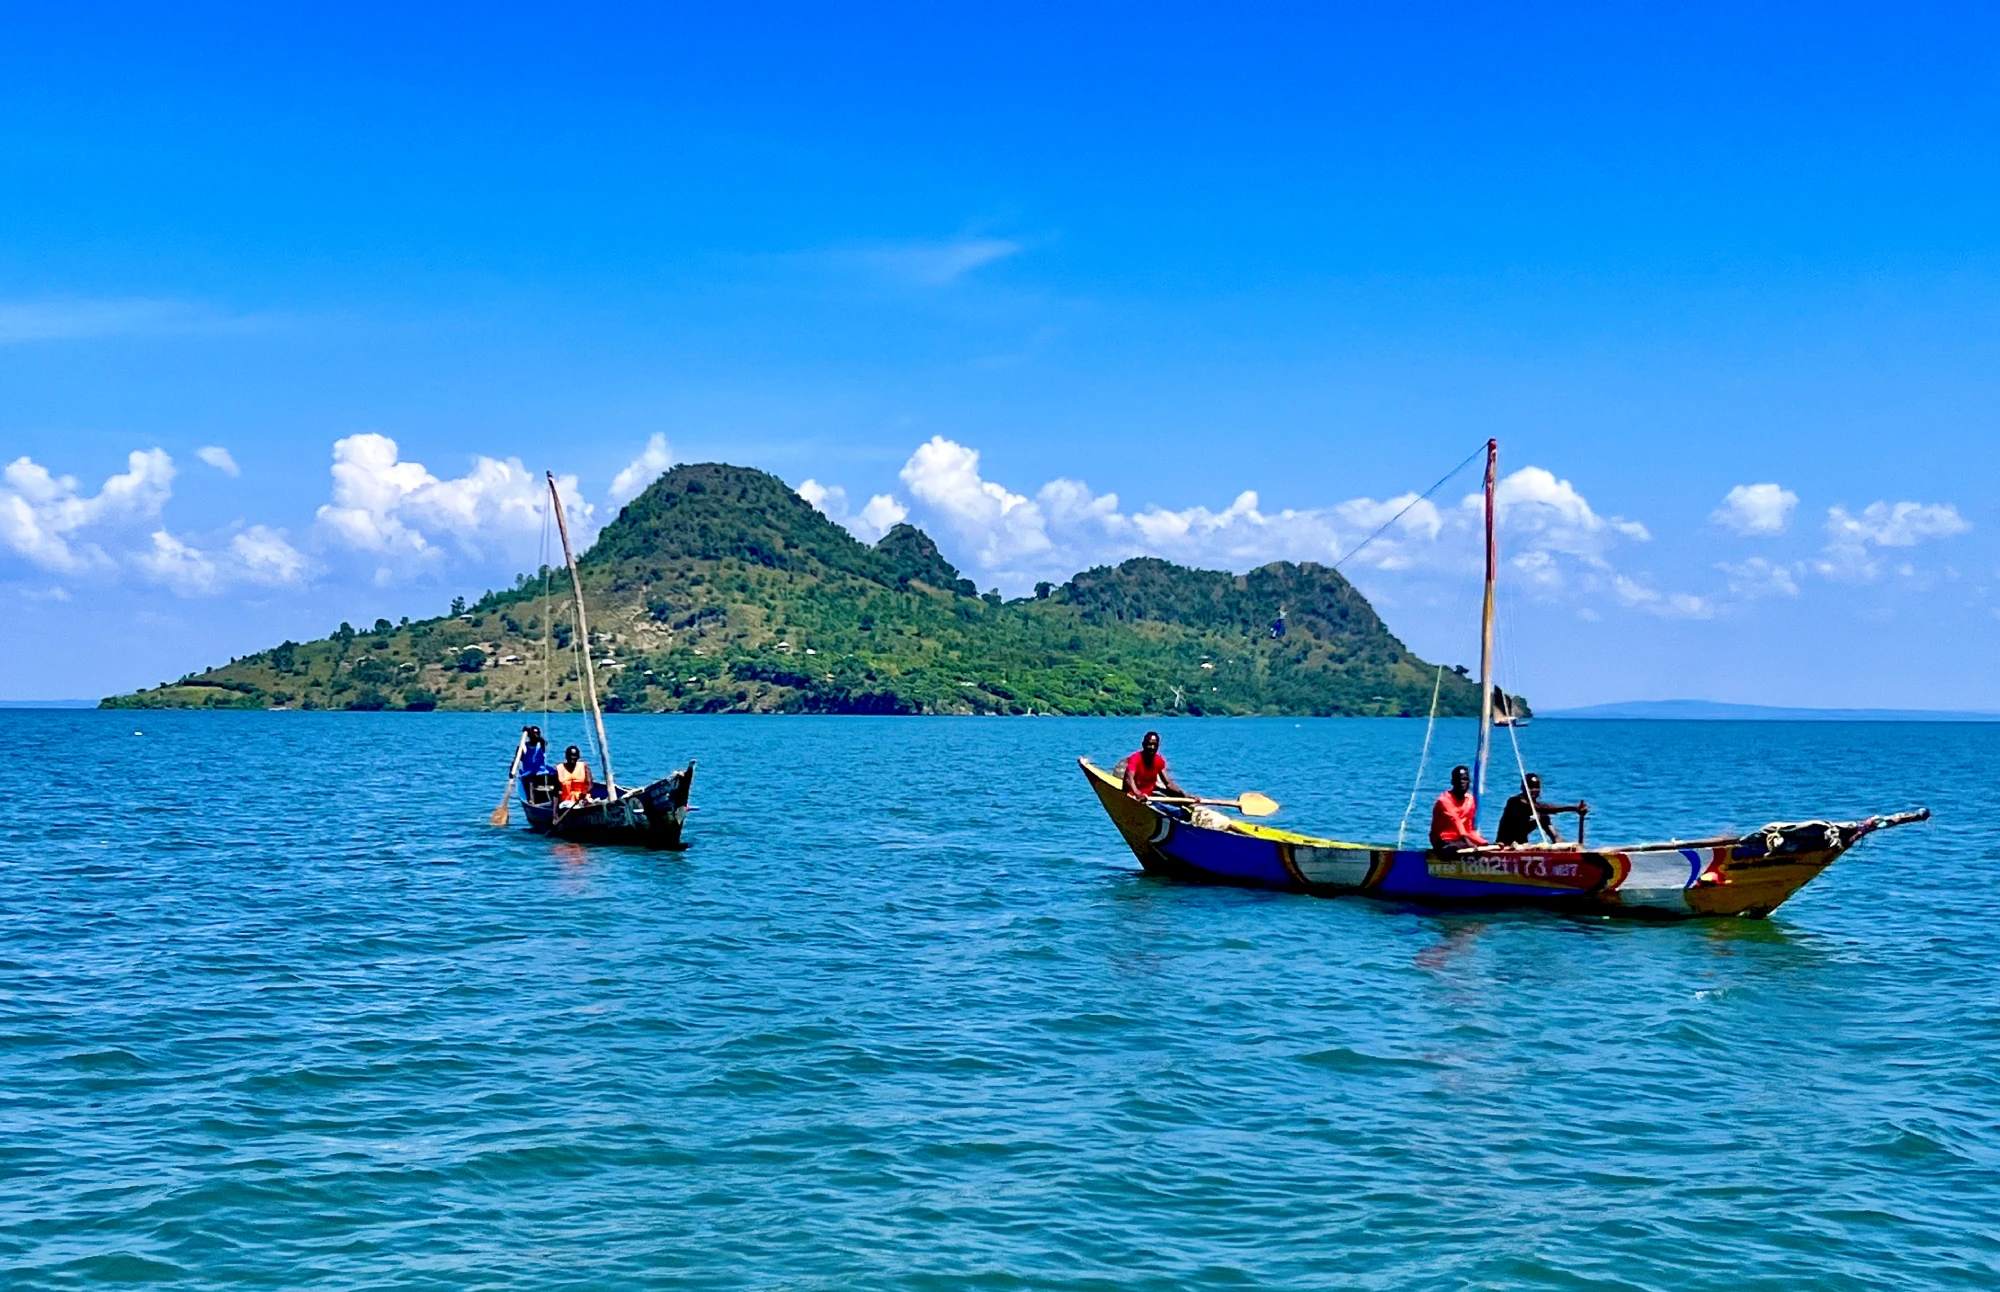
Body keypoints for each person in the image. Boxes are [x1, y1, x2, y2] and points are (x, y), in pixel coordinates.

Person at [1495, 773, 1587, 847]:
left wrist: (1569, 849)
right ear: (1523, 788)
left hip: (1521, 847)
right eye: (1530, 787)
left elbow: (1556, 837)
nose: (1534, 790)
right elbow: (1540, 808)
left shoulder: (1541, 815)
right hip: (1503, 846)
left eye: (1536, 787)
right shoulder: (1515, 802)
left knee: (1542, 817)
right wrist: (1573, 808)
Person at [1429, 764, 1487, 852]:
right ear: (1452, 782)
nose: (1462, 782)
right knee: (1456, 846)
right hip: (1442, 840)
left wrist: (1484, 843)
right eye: (1459, 779)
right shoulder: (1444, 800)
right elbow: (1455, 820)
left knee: (1471, 845)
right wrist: (1468, 842)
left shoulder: (1470, 800)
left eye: (1465, 779)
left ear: (1469, 782)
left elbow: (1468, 829)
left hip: (1459, 840)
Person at [1121, 730, 1189, 801]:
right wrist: (1137, 793)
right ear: (1143, 744)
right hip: (1133, 795)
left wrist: (1184, 795)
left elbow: (1168, 783)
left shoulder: (1159, 760)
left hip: (1148, 797)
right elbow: (1129, 778)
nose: (1152, 747)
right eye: (1149, 744)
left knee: (1176, 810)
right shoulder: (1135, 758)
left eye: (1155, 745)